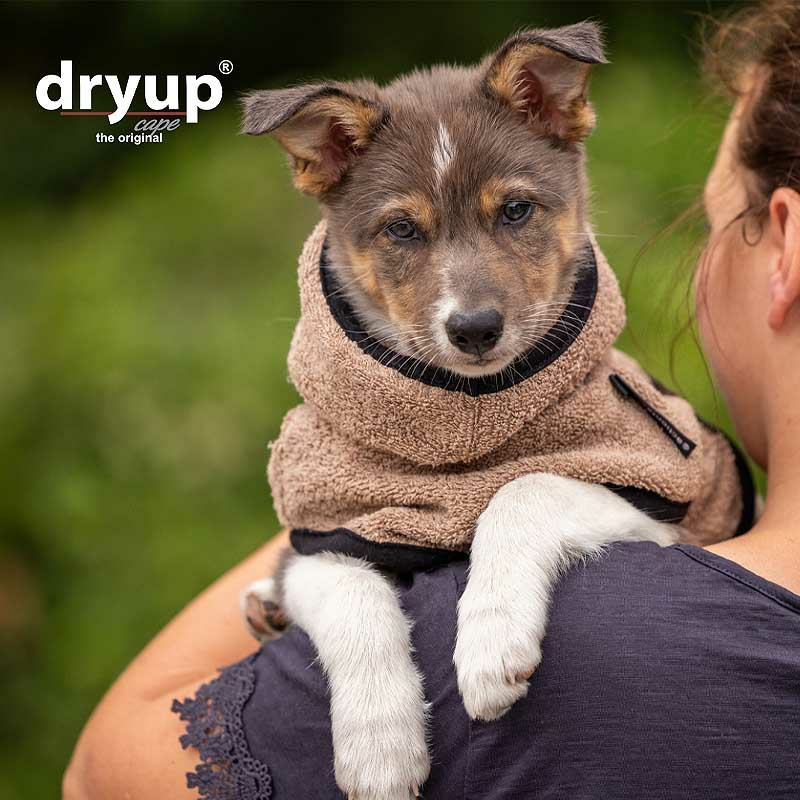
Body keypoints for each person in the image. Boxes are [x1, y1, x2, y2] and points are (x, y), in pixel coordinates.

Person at [64, 2, 800, 797]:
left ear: (558, 113)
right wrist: (353, 570)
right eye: (404, 232)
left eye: (514, 212)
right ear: (326, 163)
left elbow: (100, 772)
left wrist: (485, 518)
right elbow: (321, 549)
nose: (470, 304)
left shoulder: (622, 448)